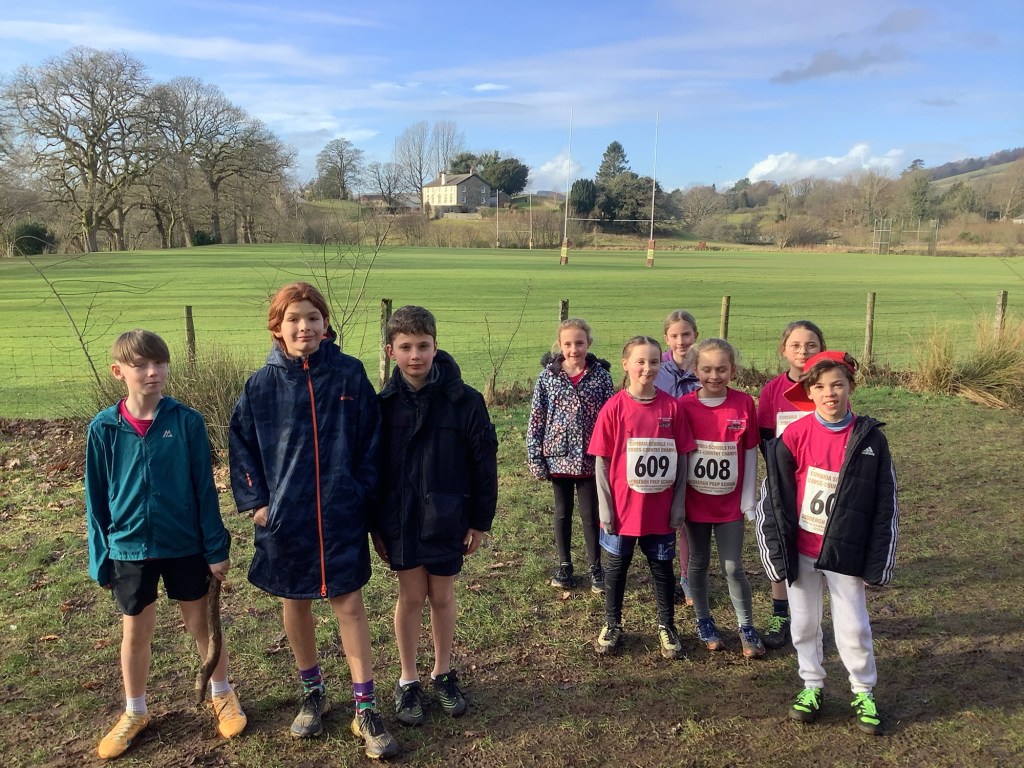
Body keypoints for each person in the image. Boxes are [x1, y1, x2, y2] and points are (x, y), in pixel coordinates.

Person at [228, 282, 397, 760]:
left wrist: (361, 492)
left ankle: (365, 706)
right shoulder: (261, 385)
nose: (304, 326)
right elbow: (241, 445)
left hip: (341, 512)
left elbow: (372, 439)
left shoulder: (348, 374)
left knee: (349, 603)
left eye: (312, 318)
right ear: (277, 328)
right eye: (294, 319)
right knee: (295, 600)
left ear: (326, 325)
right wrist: (257, 502)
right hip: (287, 517)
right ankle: (312, 691)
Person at [85, 330, 246, 760]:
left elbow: (204, 490)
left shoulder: (187, 422)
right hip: (128, 549)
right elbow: (95, 499)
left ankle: (222, 693)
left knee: (202, 626)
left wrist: (215, 548)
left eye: (159, 363)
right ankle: (134, 711)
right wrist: (101, 556)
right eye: (140, 365)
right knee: (135, 632)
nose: (152, 372)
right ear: (118, 372)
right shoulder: (103, 428)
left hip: (185, 545)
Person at [755, 351, 898, 736]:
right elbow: (773, 497)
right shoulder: (794, 435)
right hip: (802, 549)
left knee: (852, 625)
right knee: (803, 623)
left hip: (845, 552)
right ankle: (812, 684)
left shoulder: (870, 439)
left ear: (851, 387)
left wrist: (878, 561)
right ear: (808, 392)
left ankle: (863, 691)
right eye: (819, 386)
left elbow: (886, 502)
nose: (829, 393)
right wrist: (775, 554)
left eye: (837, 385)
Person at [372, 305, 498, 727]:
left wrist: (480, 521)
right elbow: (373, 470)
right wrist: (376, 525)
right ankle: (407, 680)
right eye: (406, 347)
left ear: (436, 346)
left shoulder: (466, 401)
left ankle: (443, 673)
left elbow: (484, 464)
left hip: (450, 517)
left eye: (423, 346)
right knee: (410, 597)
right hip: (401, 520)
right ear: (390, 351)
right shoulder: (382, 406)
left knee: (442, 596)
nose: (415, 356)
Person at [588, 336, 695, 658]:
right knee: (616, 567)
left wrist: (678, 505)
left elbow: (682, 458)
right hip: (622, 510)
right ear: (626, 365)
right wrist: (605, 508)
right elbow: (602, 462)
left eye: (653, 362)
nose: (647, 368)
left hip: (659, 510)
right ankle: (612, 623)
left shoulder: (672, 407)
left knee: (662, 567)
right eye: (640, 361)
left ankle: (667, 625)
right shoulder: (614, 407)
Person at [679, 339, 765, 658]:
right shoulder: (684, 406)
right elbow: (680, 456)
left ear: (733, 370)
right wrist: (678, 502)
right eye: (706, 369)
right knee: (697, 563)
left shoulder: (743, 403)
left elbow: (750, 450)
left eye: (721, 369)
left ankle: (746, 626)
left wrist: (748, 500)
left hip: (730, 505)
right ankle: (704, 621)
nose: (714, 376)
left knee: (733, 566)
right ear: (695, 369)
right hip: (695, 503)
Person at [526, 318, 614, 593]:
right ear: (559, 345)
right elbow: (537, 418)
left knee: (591, 514)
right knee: (562, 512)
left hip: (590, 457)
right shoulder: (548, 377)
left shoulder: (601, 376)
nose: (574, 349)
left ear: (588, 343)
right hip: (558, 456)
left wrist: (611, 457)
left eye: (579, 343)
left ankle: (596, 567)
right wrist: (536, 457)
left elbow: (610, 419)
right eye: (568, 344)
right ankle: (565, 565)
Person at [755, 321, 826, 650]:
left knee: (815, 549)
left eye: (811, 345)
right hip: (783, 483)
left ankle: (810, 615)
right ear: (783, 350)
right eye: (795, 345)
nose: (803, 351)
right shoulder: (772, 390)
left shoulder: (827, 386)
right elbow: (766, 438)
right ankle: (780, 613)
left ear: (821, 348)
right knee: (779, 545)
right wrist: (782, 474)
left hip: (820, 484)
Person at [653, 310, 701, 607]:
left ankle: (687, 576)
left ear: (696, 334)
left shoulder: (705, 364)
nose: (681, 341)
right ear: (666, 338)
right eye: (674, 336)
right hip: (662, 448)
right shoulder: (656, 366)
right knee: (662, 515)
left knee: (687, 519)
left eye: (686, 334)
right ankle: (663, 574)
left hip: (697, 450)